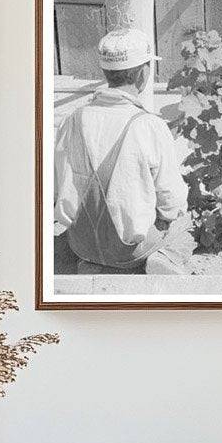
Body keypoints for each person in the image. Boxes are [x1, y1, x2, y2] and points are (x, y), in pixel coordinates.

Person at [53, 27, 189, 274]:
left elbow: (57, 186)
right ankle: (164, 259)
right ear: (142, 75)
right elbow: (172, 202)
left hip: (83, 244)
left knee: (67, 234)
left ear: (106, 72)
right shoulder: (149, 125)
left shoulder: (71, 120)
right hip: (130, 251)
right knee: (186, 223)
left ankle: (90, 262)